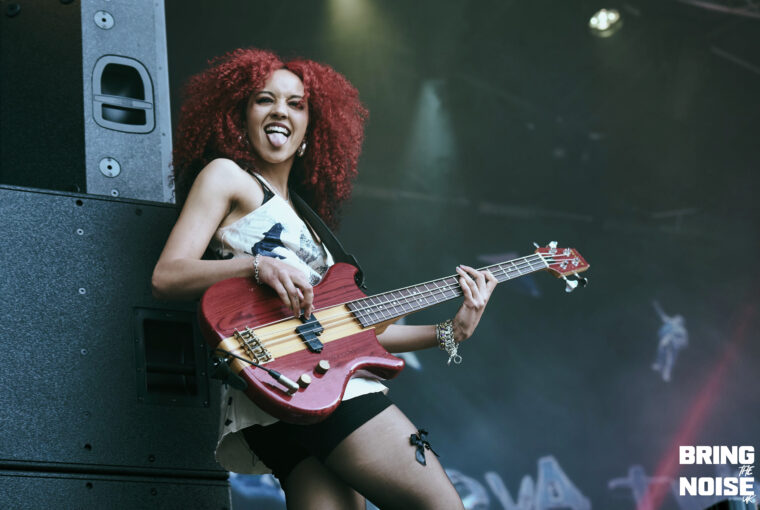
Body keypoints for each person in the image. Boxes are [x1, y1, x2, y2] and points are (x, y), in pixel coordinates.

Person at [152, 48, 498, 510]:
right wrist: (257, 265)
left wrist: (448, 332)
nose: (280, 111)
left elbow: (347, 332)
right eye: (264, 99)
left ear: (310, 130)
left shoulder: (311, 227)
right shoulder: (227, 177)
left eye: (296, 104)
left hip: (303, 390)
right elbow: (167, 276)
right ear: (240, 117)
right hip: (276, 382)